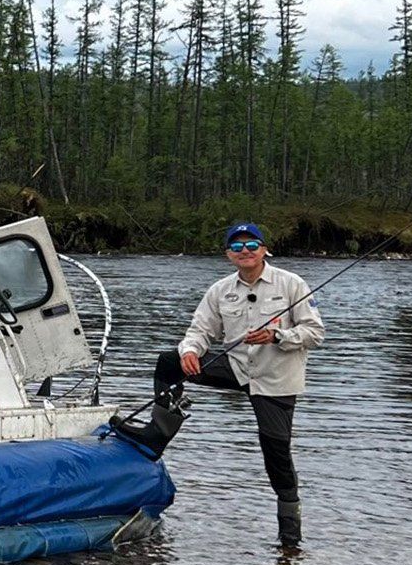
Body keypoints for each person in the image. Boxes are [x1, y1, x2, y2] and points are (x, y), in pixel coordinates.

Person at [113, 222, 324, 545]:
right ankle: (157, 433)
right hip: (236, 367)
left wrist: (277, 335)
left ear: (264, 248)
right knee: (168, 362)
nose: (245, 252)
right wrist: (190, 352)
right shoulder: (220, 290)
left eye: (251, 245)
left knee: (276, 455)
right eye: (237, 248)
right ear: (228, 255)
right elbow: (199, 331)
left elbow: (315, 333)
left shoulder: (292, 284)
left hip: (276, 379)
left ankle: (290, 539)